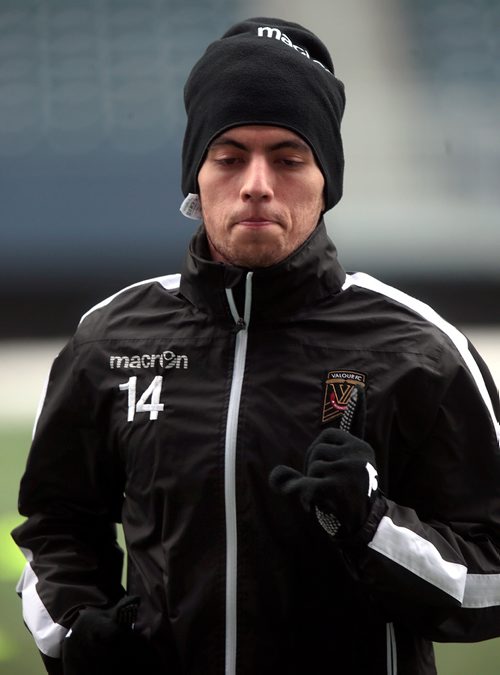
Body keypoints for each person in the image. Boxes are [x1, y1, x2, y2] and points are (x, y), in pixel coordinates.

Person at [12, 16, 500, 675]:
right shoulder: (109, 338)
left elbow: (492, 577)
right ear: (197, 175)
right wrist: (74, 632)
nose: (257, 183)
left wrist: (373, 526)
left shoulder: (420, 349)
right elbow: (55, 529)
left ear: (327, 178)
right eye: (230, 155)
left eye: (289, 157)